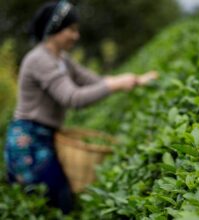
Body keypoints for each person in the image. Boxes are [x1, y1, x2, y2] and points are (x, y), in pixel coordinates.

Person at [3, 0, 158, 214]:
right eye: (71, 30)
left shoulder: (62, 60)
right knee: (51, 201)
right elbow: (72, 98)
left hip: (47, 135)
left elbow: (92, 80)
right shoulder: (39, 59)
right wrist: (113, 85)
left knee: (61, 199)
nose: (76, 36)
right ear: (55, 29)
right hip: (28, 139)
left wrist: (136, 80)